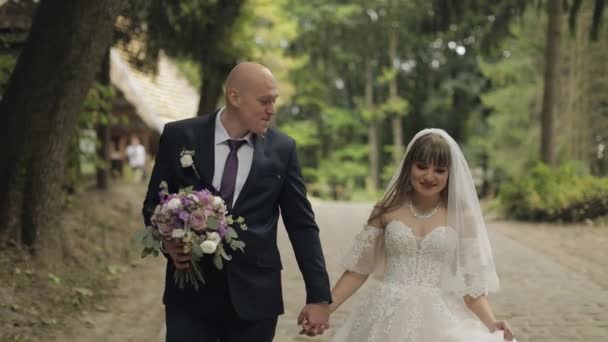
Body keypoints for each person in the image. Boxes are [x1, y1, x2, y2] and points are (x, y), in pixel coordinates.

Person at [142, 62, 332, 342]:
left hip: (256, 300)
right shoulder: (179, 136)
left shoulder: (283, 149)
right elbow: (152, 206)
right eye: (264, 101)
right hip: (190, 298)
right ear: (234, 97)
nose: (272, 109)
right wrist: (167, 242)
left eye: (274, 101)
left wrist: (319, 297)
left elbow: (302, 225)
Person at [327, 129, 516, 342]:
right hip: (385, 315)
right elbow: (358, 271)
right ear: (409, 167)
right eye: (422, 166)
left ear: (449, 173)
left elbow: (472, 287)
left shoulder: (462, 218)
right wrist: (325, 309)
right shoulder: (386, 210)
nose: (429, 176)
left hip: (440, 316)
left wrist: (492, 323)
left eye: (439, 170)